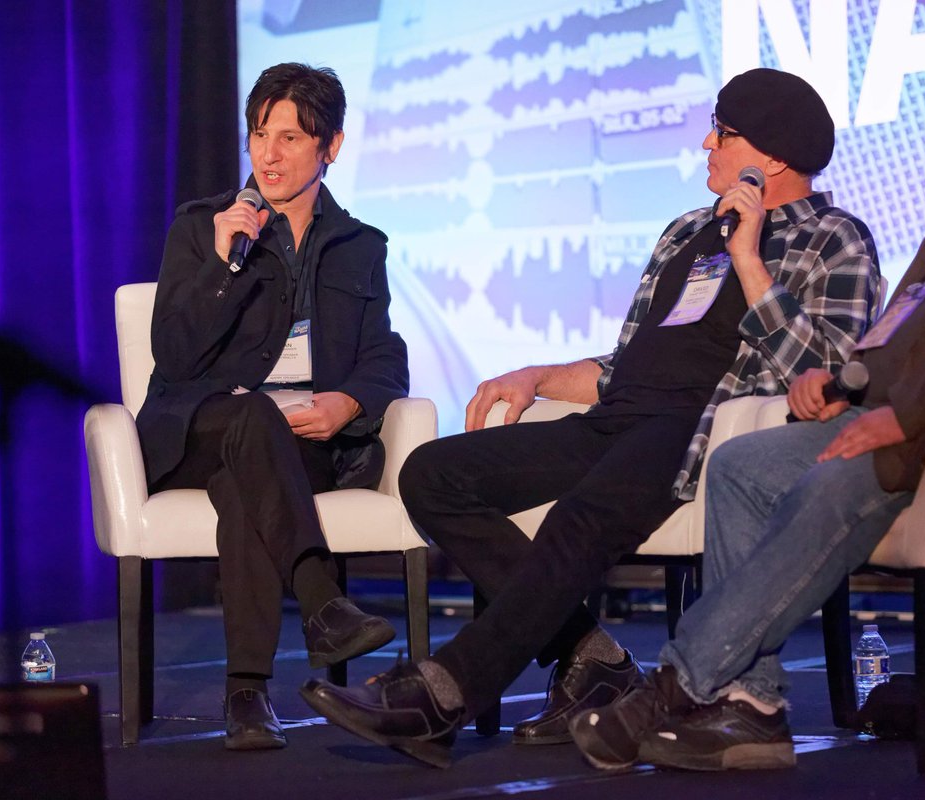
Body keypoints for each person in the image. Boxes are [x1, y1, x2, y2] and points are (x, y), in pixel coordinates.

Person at [300, 68, 881, 766]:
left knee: (582, 513)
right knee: (432, 475)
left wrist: (750, 261)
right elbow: (625, 363)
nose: (706, 142)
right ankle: (593, 658)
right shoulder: (686, 233)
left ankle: (445, 695)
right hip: (617, 419)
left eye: (722, 132)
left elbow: (823, 377)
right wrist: (539, 375)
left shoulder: (832, 238)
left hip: (695, 430)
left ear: (774, 157)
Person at [568, 71, 925, 772]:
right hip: (898, 423)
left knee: (835, 474)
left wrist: (903, 414)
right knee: (742, 465)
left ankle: (676, 684)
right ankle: (751, 707)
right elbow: (891, 345)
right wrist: (839, 382)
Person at [137, 63, 408, 750]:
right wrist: (226, 264)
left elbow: (386, 355)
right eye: (260, 134)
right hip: (199, 430)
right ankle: (321, 600)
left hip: (296, 449)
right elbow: (172, 353)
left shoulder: (360, 247)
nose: (269, 153)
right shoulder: (203, 227)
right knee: (249, 424)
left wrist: (347, 403)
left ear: (332, 148)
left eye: (290, 137)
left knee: (245, 485)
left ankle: (247, 696)